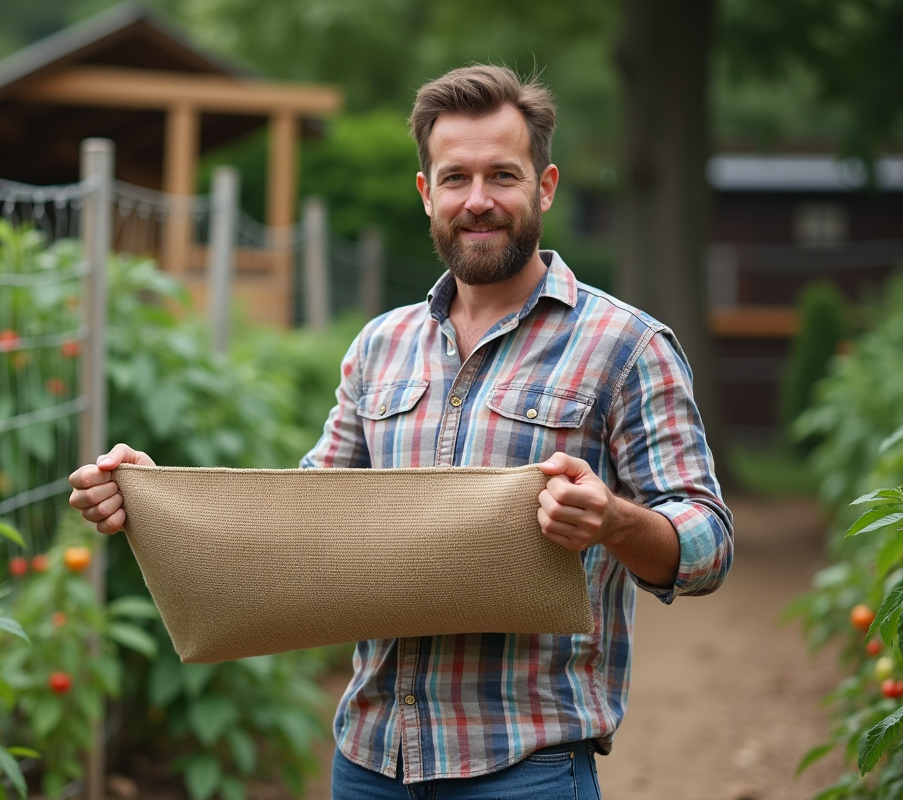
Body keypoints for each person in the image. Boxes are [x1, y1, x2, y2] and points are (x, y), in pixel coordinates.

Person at [69, 64, 733, 800]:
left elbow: (706, 544)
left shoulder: (626, 346)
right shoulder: (379, 347)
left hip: (525, 770)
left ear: (544, 187)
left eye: (502, 177)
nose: (478, 201)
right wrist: (152, 496)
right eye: (455, 179)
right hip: (370, 763)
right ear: (427, 195)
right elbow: (304, 524)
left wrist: (612, 520)